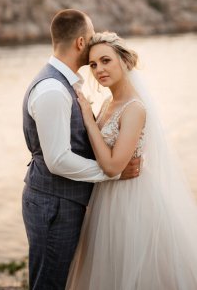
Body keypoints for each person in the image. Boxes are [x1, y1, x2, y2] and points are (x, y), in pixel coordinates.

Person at [66, 32, 197, 290]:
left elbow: (113, 165)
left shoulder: (135, 108)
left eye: (106, 61)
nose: (99, 69)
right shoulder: (107, 103)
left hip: (131, 198)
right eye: (93, 65)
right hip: (104, 197)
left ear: (124, 61)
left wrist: (88, 120)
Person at [22, 10, 141, 290]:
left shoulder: (65, 84)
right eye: (90, 41)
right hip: (53, 204)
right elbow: (58, 160)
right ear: (79, 43)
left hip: (62, 202)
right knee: (49, 283)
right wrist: (113, 173)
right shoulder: (52, 89)